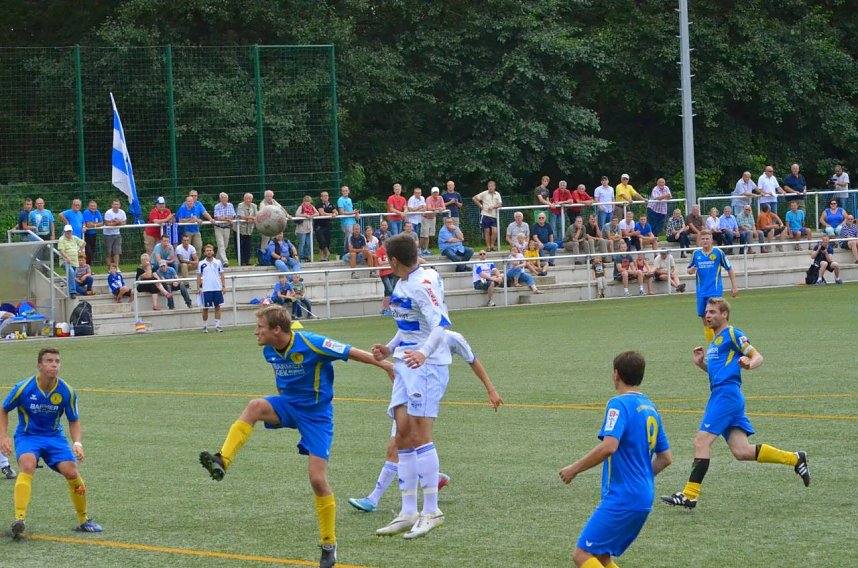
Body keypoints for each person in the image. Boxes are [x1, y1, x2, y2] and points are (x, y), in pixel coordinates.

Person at [199, 305, 394, 568]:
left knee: (317, 479)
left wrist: (386, 366)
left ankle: (329, 545)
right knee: (255, 406)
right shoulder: (269, 349)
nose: (255, 332)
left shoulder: (311, 343)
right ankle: (222, 460)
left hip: (316, 415)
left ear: (276, 330)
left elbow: (349, 351)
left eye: (260, 328)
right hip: (288, 405)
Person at [662, 298, 810, 510]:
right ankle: (795, 459)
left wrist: (750, 363)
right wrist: (701, 364)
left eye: (713, 312)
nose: (708, 315)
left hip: (726, 396)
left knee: (701, 442)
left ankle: (689, 495)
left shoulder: (733, 333)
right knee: (741, 451)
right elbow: (718, 373)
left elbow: (757, 355)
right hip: (723, 394)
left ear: (725, 315)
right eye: (707, 312)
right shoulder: (714, 342)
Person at [348, 330, 502, 513]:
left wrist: (491, 390)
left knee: (404, 443)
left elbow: (472, 360)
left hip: (425, 393)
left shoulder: (451, 337)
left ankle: (375, 499)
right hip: (405, 391)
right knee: (400, 444)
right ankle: (431, 478)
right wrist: (383, 351)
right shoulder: (408, 329)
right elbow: (389, 350)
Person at [371, 234, 453, 539]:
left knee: (419, 436)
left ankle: (432, 510)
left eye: (386, 259)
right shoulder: (404, 282)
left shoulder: (424, 283)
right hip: (407, 365)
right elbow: (407, 326)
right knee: (403, 436)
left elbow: (440, 324)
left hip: (427, 367)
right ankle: (408, 512)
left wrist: (423, 352)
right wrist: (391, 349)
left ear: (393, 261)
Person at [560, 350, 671, 568]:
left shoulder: (618, 405)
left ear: (616, 374)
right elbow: (665, 458)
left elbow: (609, 447)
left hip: (623, 497)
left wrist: (574, 469)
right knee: (601, 556)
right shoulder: (650, 408)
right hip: (643, 495)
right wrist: (641, 477)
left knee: (581, 554)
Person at [1, 348, 104, 540]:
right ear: (39, 365)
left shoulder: (67, 391)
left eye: (57, 361)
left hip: (54, 438)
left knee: (72, 472)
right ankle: (19, 519)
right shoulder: (23, 388)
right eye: (49, 361)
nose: (54, 364)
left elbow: (73, 420)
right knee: (27, 465)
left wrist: (78, 443)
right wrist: (3, 436)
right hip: (27, 436)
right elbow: (3, 409)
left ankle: (84, 520)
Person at [688, 230, 738, 343]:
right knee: (705, 321)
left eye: (707, 239)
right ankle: (713, 347)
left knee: (717, 319)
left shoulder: (718, 253)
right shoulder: (696, 254)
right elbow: (689, 270)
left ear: (711, 240)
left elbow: (729, 269)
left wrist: (734, 287)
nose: (705, 241)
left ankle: (723, 344)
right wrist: (691, 270)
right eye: (703, 239)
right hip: (701, 293)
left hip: (715, 292)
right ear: (700, 240)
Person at [197, 244, 225, 333]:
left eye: (210, 250)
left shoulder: (218, 262)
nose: (209, 252)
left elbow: (222, 274)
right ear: (204, 252)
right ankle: (205, 326)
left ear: (213, 251)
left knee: (218, 307)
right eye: (207, 251)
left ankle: (217, 326)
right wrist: (198, 288)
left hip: (217, 288)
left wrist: (223, 286)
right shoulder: (201, 263)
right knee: (205, 308)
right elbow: (198, 276)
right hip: (206, 289)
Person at [473, 181, 503, 252]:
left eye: (492, 186)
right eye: (489, 186)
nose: (491, 187)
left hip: (494, 215)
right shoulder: (484, 193)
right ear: (488, 187)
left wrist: (493, 207)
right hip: (485, 214)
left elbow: (500, 204)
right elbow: (474, 198)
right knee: (486, 231)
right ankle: (488, 246)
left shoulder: (497, 194)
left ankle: (492, 245)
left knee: (494, 231)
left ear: (494, 187)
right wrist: (481, 206)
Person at [57, 225, 86, 299]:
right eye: (67, 231)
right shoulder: (61, 239)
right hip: (65, 261)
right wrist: (67, 257)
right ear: (64, 232)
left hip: (75, 262)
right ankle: (72, 292)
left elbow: (83, 243)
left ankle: (74, 291)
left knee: (72, 276)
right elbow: (61, 250)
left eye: (70, 231)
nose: (68, 233)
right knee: (71, 272)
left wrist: (80, 250)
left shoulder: (74, 238)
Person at [421, 186, 446, 256]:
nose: (435, 194)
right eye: (434, 192)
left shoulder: (440, 198)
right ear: (432, 193)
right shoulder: (428, 199)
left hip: (433, 217)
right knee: (424, 235)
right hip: (426, 217)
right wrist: (439, 208)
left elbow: (444, 207)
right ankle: (419, 248)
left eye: (436, 192)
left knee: (429, 235)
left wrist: (441, 208)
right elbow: (429, 208)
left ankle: (425, 249)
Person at [213, 193, 236, 267]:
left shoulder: (230, 205)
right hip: (218, 227)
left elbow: (232, 216)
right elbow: (217, 217)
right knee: (221, 245)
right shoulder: (217, 206)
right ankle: (225, 261)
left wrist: (225, 218)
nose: (224, 199)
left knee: (224, 246)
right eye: (222, 197)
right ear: (220, 199)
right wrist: (227, 218)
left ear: (227, 198)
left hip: (227, 227)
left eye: (225, 197)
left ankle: (216, 261)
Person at [314, 191, 337, 262]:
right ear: (321, 197)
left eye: (327, 195)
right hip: (319, 225)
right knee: (321, 240)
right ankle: (326, 253)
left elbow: (336, 212)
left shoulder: (330, 204)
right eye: (324, 196)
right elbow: (322, 213)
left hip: (327, 225)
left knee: (327, 241)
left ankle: (324, 257)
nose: (326, 197)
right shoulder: (319, 204)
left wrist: (334, 213)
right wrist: (331, 214)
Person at [235, 193, 257, 266]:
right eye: (246, 198)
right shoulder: (240, 205)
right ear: (244, 199)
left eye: (249, 198)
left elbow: (257, 216)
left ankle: (247, 261)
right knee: (240, 246)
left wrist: (251, 218)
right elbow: (241, 216)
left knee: (248, 246)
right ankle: (241, 262)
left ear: (252, 199)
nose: (248, 200)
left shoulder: (254, 206)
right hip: (239, 229)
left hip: (249, 230)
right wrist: (251, 218)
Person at [376, 238, 397, 315]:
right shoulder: (379, 250)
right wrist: (388, 262)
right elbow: (380, 262)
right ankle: (387, 308)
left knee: (388, 291)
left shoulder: (390, 250)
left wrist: (388, 263)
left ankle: (385, 309)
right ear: (382, 241)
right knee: (389, 290)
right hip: (384, 273)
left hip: (391, 271)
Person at [103, 199, 126, 267]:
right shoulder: (108, 212)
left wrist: (114, 223)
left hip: (117, 233)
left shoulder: (122, 212)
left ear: (119, 205)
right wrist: (117, 222)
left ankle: (116, 267)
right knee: (108, 252)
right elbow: (107, 223)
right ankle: (110, 268)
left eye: (117, 204)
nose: (116, 206)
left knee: (117, 252)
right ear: (112, 205)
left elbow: (124, 223)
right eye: (114, 204)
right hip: (108, 235)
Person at [294, 195, 318, 262]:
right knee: (302, 243)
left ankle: (306, 256)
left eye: (309, 201)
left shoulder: (312, 207)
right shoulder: (301, 207)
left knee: (309, 243)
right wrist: (305, 215)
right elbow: (297, 214)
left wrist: (312, 215)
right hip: (301, 229)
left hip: (309, 229)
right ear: (304, 202)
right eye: (306, 201)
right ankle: (300, 257)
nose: (308, 203)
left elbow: (317, 213)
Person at [337, 185, 359, 250]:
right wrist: (353, 212)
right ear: (341, 192)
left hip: (352, 221)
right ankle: (347, 251)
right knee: (348, 237)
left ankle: (354, 251)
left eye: (346, 191)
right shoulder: (340, 200)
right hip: (346, 222)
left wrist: (356, 213)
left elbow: (351, 210)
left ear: (348, 191)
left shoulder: (349, 199)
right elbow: (341, 212)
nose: (345, 192)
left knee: (354, 236)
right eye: (343, 191)